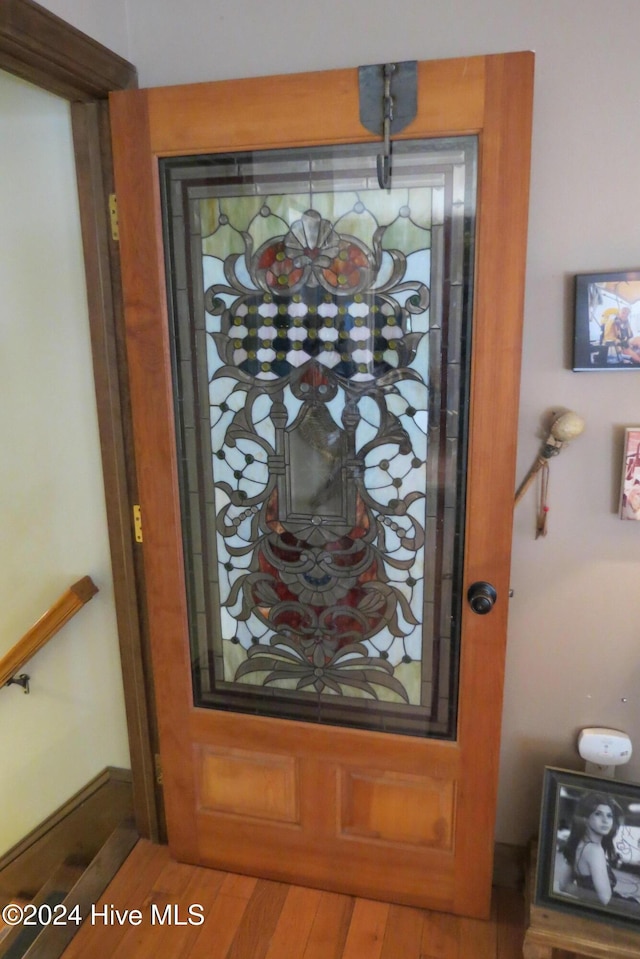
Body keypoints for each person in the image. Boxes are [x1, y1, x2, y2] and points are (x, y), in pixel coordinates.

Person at [557, 792, 625, 905]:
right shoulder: (594, 850)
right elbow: (606, 900)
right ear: (585, 818)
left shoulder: (578, 845)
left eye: (609, 815)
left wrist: (587, 896)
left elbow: (564, 885)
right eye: (598, 814)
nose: (605, 820)